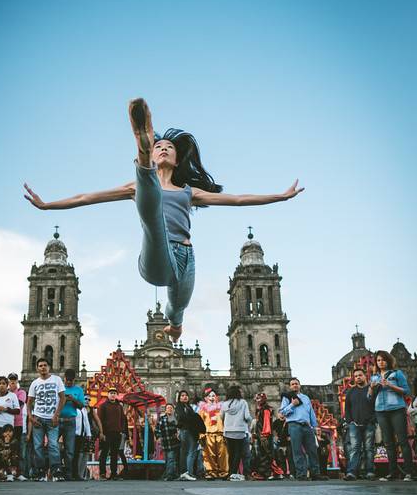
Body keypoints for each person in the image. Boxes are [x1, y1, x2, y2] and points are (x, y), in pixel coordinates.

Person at [24, 98, 303, 341]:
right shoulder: (133, 188)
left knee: (177, 306)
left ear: (177, 157)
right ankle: (140, 154)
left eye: (169, 146)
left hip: (185, 257)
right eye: (159, 146)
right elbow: (86, 197)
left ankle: (176, 325)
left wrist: (280, 197)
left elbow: (239, 199)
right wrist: (47, 206)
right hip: (155, 254)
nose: (165, 148)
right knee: (152, 214)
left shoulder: (188, 191)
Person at [369, 350, 412, 482]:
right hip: (380, 410)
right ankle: (392, 472)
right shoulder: (374, 377)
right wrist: (371, 388)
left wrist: (390, 385)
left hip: (396, 408)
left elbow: (406, 391)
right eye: (378, 360)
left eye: (383, 360)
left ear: (388, 360)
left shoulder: (397, 374)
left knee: (403, 440)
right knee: (388, 442)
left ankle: (409, 472)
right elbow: (369, 397)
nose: (381, 362)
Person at [27, 358, 66, 481]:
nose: (43, 367)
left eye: (45, 365)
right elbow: (29, 402)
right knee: (38, 445)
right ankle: (40, 471)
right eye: (40, 366)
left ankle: (56, 470)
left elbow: (62, 398)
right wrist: (30, 417)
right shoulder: (35, 383)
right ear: (37, 368)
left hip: (52, 419)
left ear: (49, 367)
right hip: (38, 418)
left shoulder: (57, 380)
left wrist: (57, 415)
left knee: (53, 444)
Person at [278, 378, 325, 481]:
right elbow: (282, 412)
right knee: (297, 451)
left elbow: (311, 412)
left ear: (300, 385)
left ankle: (315, 473)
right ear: (290, 387)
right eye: (292, 384)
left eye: (296, 384)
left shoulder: (306, 398)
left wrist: (315, 425)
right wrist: (292, 404)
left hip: (307, 426)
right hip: (294, 425)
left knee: (312, 450)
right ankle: (301, 474)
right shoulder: (287, 397)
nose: (295, 385)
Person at [344, 367, 377, 481]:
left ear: (365, 376)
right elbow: (347, 408)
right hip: (354, 424)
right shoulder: (351, 391)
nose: (358, 377)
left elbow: (374, 403)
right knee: (355, 448)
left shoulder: (372, 388)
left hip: (369, 423)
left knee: (369, 448)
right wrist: (350, 421)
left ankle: (370, 471)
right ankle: (352, 472)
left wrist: (373, 419)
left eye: (360, 375)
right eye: (356, 376)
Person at [221, 386, 252, 480]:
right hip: (240, 430)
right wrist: (249, 420)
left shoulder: (225, 404)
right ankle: (234, 473)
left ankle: (230, 472)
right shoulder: (243, 402)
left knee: (231, 453)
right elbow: (247, 416)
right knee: (238, 453)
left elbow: (221, 416)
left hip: (228, 431)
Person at [59, 368, 85, 480]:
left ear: (74, 379)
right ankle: (57, 471)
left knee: (70, 450)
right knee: (53, 447)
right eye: (67, 380)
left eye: (71, 380)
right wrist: (64, 399)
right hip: (58, 420)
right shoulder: (59, 388)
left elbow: (81, 406)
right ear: (64, 378)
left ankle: (69, 474)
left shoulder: (78, 390)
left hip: (70, 421)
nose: (68, 382)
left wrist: (73, 399)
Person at [97, 387, 127, 480]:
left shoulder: (119, 406)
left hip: (117, 433)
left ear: (116, 395)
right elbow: (100, 420)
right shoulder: (103, 406)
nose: (113, 394)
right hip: (106, 433)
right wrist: (101, 433)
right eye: (111, 393)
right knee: (104, 453)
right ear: (108, 395)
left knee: (114, 454)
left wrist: (122, 430)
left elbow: (123, 419)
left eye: (114, 393)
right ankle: (102, 474)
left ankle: (113, 474)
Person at [198, 388, 228, 480]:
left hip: (220, 433)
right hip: (208, 434)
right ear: (206, 398)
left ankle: (223, 472)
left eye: (213, 395)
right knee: (209, 455)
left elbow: (225, 420)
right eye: (209, 396)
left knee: (222, 454)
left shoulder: (221, 408)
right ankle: (211, 472)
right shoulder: (203, 409)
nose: (211, 398)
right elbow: (199, 422)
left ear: (216, 397)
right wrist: (201, 434)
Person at [175, 389, 204, 481]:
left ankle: (185, 472)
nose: (185, 397)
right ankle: (188, 472)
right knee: (191, 452)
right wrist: (193, 418)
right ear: (179, 398)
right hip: (187, 430)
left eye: (186, 395)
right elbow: (182, 417)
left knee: (187, 452)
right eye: (182, 395)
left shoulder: (188, 407)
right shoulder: (180, 407)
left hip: (188, 431)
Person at [0, 377, 20, 448]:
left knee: (7, 449)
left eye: (3, 383)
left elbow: (17, 411)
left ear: (7, 385)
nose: (1, 385)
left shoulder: (12, 395)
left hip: (8, 428)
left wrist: (6, 409)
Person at [155, 403, 180, 481]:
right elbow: (157, 429)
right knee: (169, 459)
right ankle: (171, 474)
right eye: (168, 408)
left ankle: (170, 475)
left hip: (175, 443)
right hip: (166, 442)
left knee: (172, 459)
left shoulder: (176, 419)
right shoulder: (162, 419)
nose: (169, 409)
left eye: (171, 408)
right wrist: (158, 437)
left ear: (173, 409)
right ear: (165, 410)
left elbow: (179, 429)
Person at [8, 373, 27, 453]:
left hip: (18, 424)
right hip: (7, 423)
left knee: (17, 448)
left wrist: (6, 406)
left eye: (14, 380)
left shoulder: (21, 392)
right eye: (11, 380)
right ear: (8, 381)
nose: (12, 381)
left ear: (17, 381)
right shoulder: (5, 393)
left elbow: (18, 405)